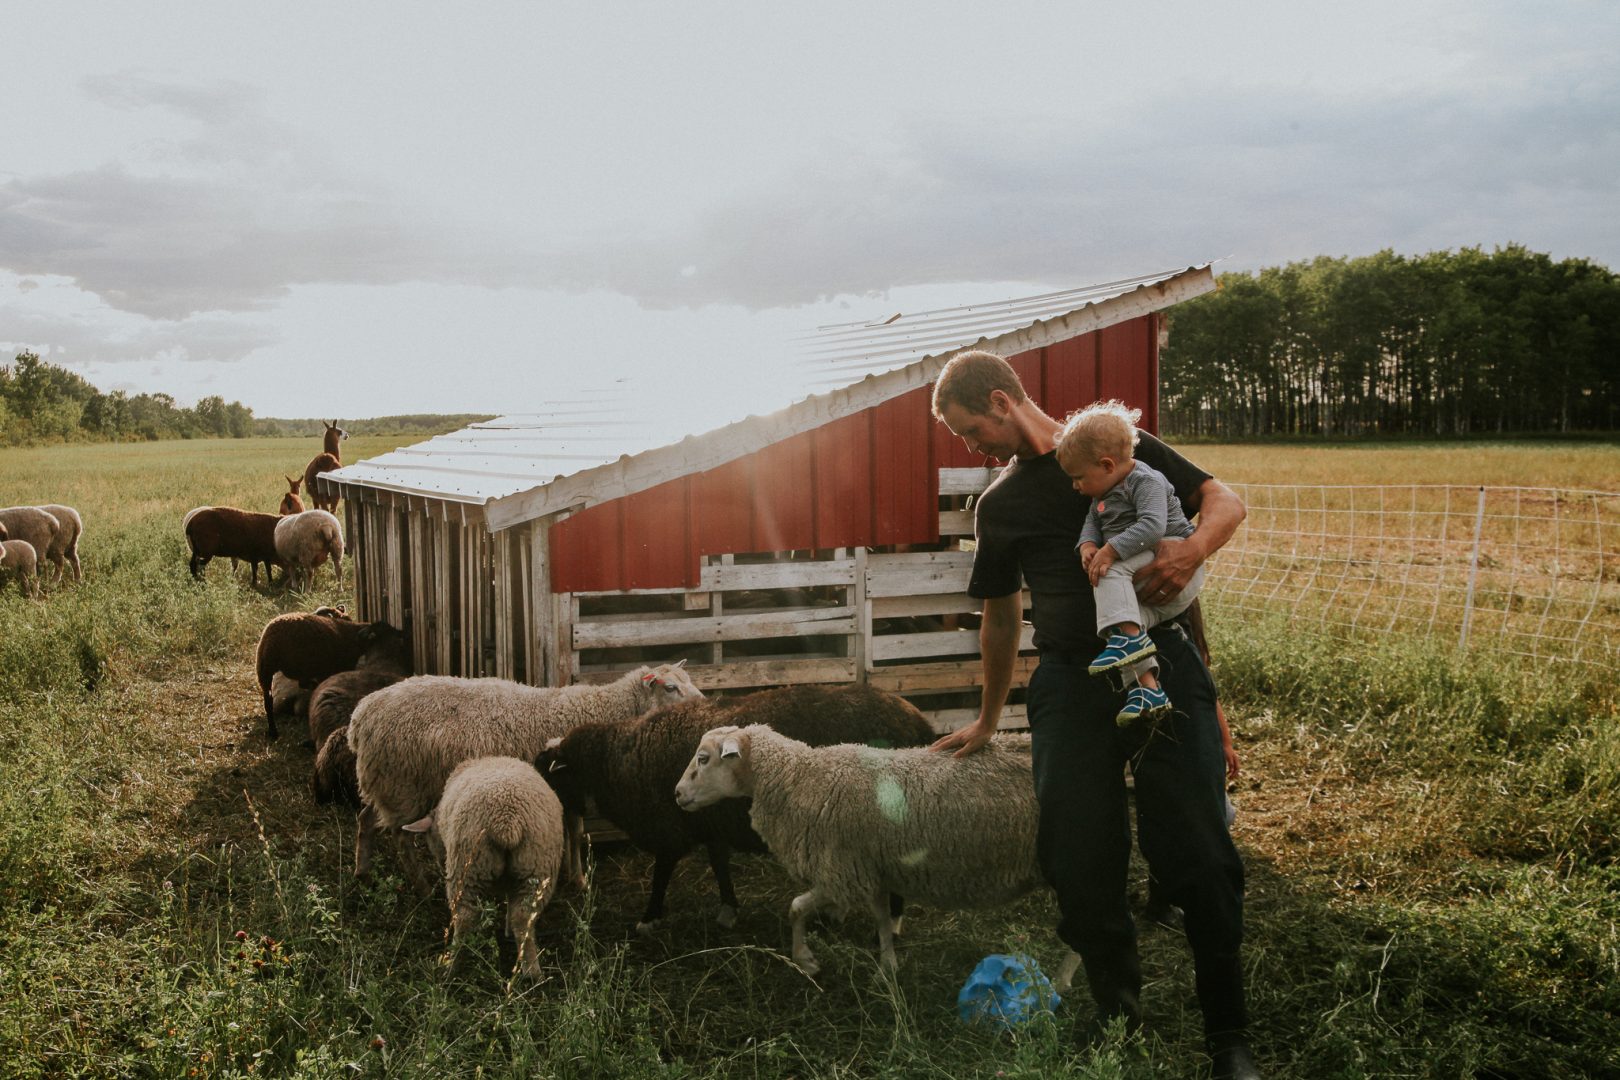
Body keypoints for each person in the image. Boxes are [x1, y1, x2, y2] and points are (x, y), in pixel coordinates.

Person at [929, 350, 1262, 1080]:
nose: (970, 447)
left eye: (969, 430)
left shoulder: (1114, 444)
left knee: (1200, 854)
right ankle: (1118, 1015)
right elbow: (998, 618)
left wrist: (1191, 551)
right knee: (1080, 859)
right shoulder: (1000, 505)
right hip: (1070, 685)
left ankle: (1228, 1036)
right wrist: (989, 719)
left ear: (999, 399)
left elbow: (1226, 502)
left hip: (1160, 664)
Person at [1054, 399, 1205, 725]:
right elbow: (1092, 522)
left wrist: (1109, 552)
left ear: (1107, 465)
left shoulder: (1145, 481)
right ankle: (1147, 689)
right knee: (1118, 622)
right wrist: (1088, 544)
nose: (1075, 486)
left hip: (1172, 554)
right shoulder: (1102, 495)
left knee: (1110, 571)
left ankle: (1131, 644)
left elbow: (1152, 526)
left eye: (1079, 477)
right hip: (1146, 573)